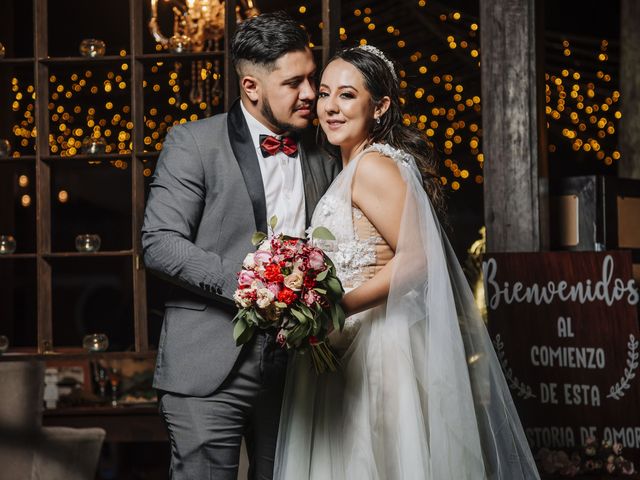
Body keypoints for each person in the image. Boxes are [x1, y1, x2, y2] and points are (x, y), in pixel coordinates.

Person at [274, 45, 541, 479]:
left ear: (379, 106)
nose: (330, 107)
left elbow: (417, 261)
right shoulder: (352, 167)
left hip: (377, 350)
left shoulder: (373, 167)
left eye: (346, 95)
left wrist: (335, 308)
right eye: (324, 94)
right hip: (343, 350)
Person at [141, 12, 339, 480]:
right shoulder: (192, 142)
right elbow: (159, 244)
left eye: (312, 77)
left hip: (298, 370)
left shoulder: (324, 151)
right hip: (207, 367)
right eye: (294, 83)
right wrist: (256, 285)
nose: (311, 93)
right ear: (251, 87)